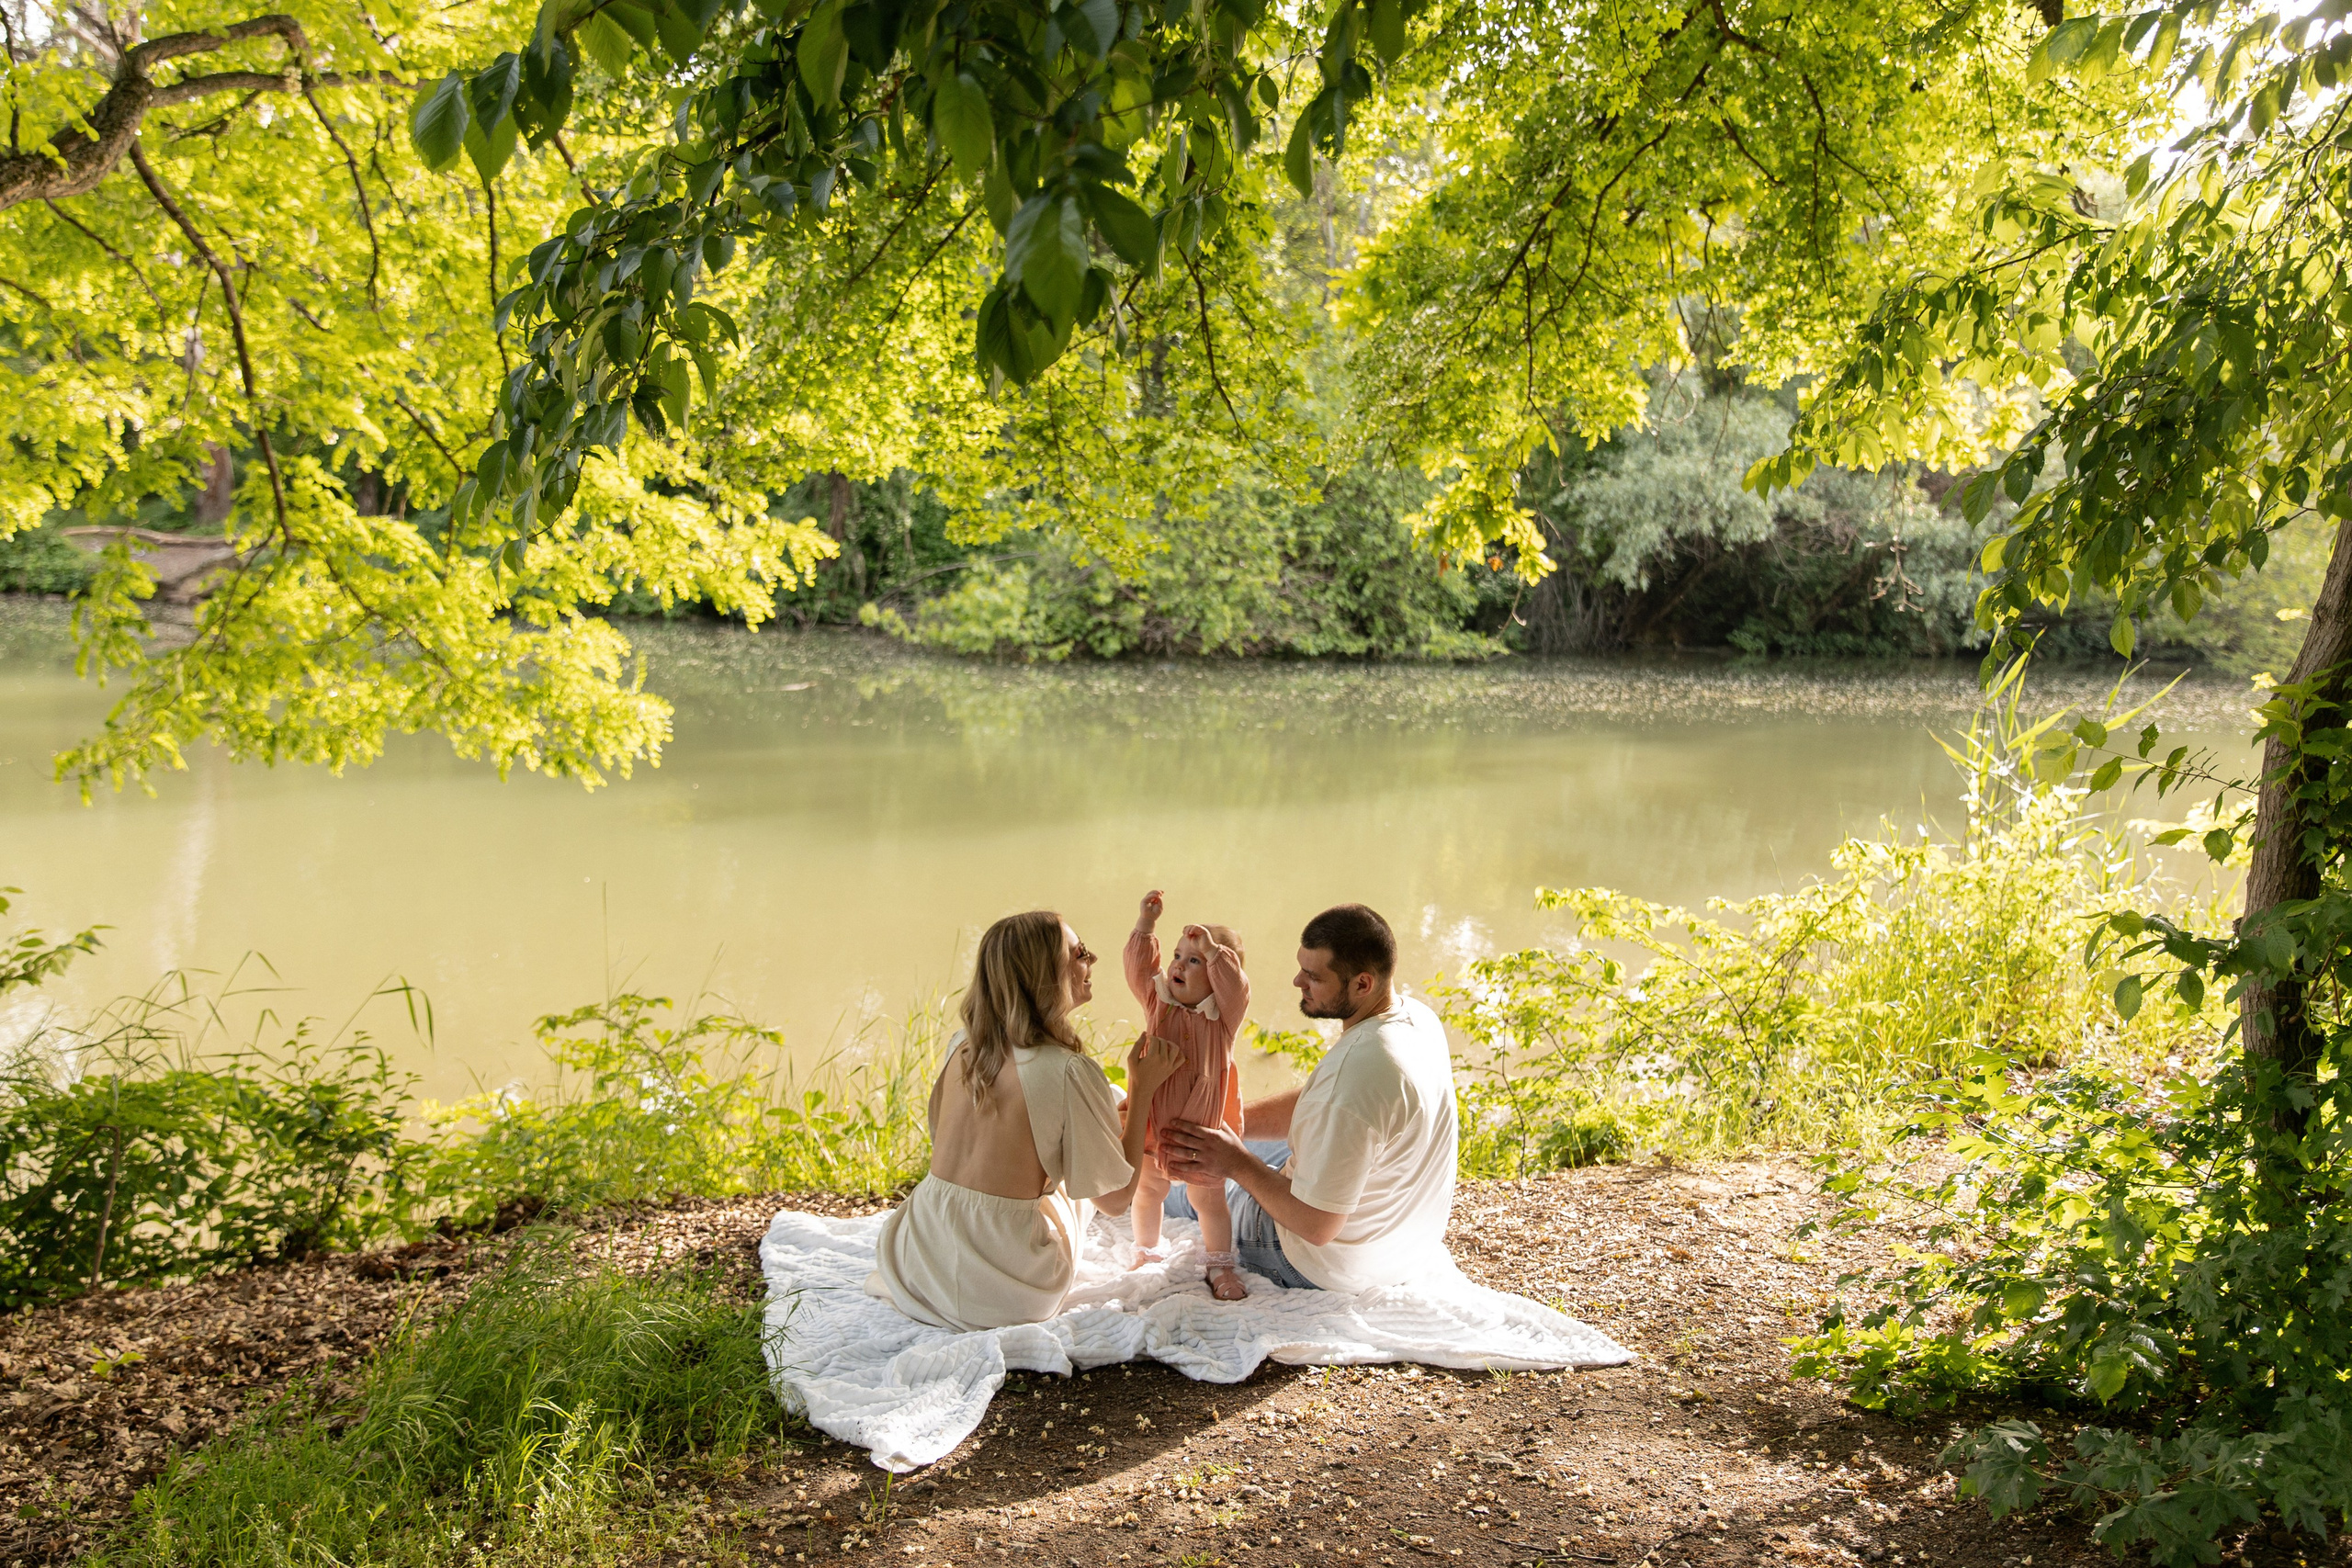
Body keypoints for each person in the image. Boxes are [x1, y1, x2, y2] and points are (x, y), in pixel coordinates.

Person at [868, 910, 1184, 1331]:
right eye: (1079, 953)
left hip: (916, 1259)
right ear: (1046, 974)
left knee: (1099, 1107)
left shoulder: (962, 1045)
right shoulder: (1067, 1069)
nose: (1093, 961)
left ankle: (1105, 1120)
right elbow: (1114, 1201)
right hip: (1007, 1291)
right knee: (1094, 1144)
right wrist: (1142, 1089)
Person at [1159, 903, 1458, 1292]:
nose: (1297, 981)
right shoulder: (1416, 1019)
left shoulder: (1356, 1074)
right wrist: (1227, 1119)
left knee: (1189, 1182)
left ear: (1362, 984)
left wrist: (1234, 1161)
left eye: (1313, 976)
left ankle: (1136, 1183)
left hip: (1315, 1261)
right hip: (1404, 1247)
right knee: (1229, 1140)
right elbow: (1325, 1101)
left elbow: (1317, 1226)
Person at [1122, 888, 1251, 1300]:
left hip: (1202, 1133)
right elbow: (1138, 969)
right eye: (1178, 956)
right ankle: (1146, 1250)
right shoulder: (1157, 1001)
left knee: (1209, 1200)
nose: (1179, 965)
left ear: (1217, 975)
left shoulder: (1223, 1017)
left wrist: (1215, 952)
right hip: (1153, 1125)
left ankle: (1219, 1266)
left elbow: (1237, 987)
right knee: (1147, 1191)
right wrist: (1146, 926)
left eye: (1194, 961)